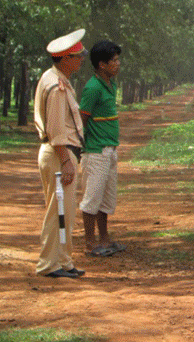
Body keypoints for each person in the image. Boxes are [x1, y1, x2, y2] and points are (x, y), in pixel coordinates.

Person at [34, 29, 87, 278]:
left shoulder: (53, 78)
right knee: (57, 212)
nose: (81, 59)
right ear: (65, 58)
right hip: (59, 153)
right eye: (78, 56)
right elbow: (56, 129)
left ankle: (63, 260)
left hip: (59, 152)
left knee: (65, 211)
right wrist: (66, 160)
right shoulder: (57, 87)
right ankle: (48, 263)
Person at [79, 40, 125, 257]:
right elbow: (83, 120)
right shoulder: (93, 88)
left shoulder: (110, 84)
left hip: (110, 149)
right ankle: (90, 242)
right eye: (113, 60)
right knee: (92, 197)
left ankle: (104, 238)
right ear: (102, 64)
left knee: (105, 199)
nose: (118, 64)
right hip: (96, 151)